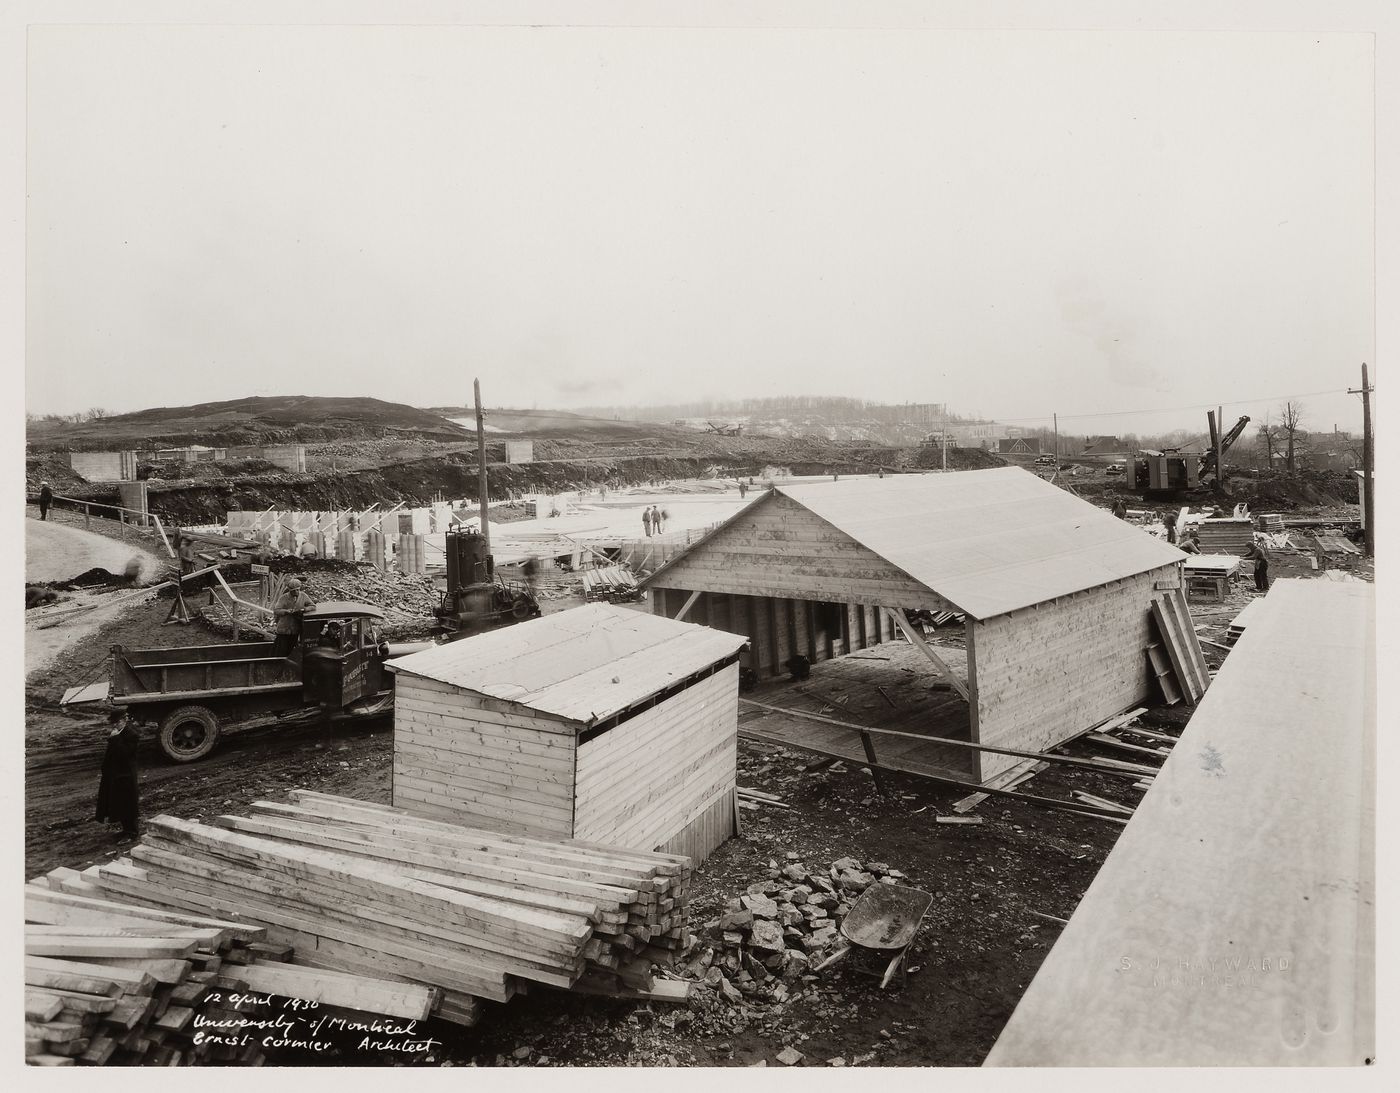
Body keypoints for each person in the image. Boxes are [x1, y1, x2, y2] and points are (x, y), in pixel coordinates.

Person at [96, 714, 140, 839]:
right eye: (113, 722)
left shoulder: (132, 734)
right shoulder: (118, 732)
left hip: (126, 775)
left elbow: (126, 754)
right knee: (120, 804)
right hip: (117, 774)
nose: (115, 724)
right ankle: (126, 830)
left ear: (124, 720)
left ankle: (132, 833)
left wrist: (115, 739)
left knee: (128, 805)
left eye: (117, 721)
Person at [272, 577, 315, 657]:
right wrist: (286, 611)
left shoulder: (303, 596)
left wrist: (304, 609)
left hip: (295, 629)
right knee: (281, 650)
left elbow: (312, 606)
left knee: (291, 651)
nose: (296, 592)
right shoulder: (283, 598)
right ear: (289, 590)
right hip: (284, 629)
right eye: (293, 591)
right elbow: (276, 610)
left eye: (298, 590)